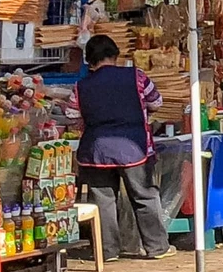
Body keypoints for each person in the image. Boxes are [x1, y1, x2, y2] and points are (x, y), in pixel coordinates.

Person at [72, 33, 174, 258]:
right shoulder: (136, 76)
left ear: (90, 60)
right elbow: (156, 101)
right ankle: (157, 247)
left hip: (96, 151)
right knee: (144, 196)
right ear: (115, 55)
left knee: (102, 201)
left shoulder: (81, 86)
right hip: (133, 148)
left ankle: (107, 251)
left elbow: (72, 114)